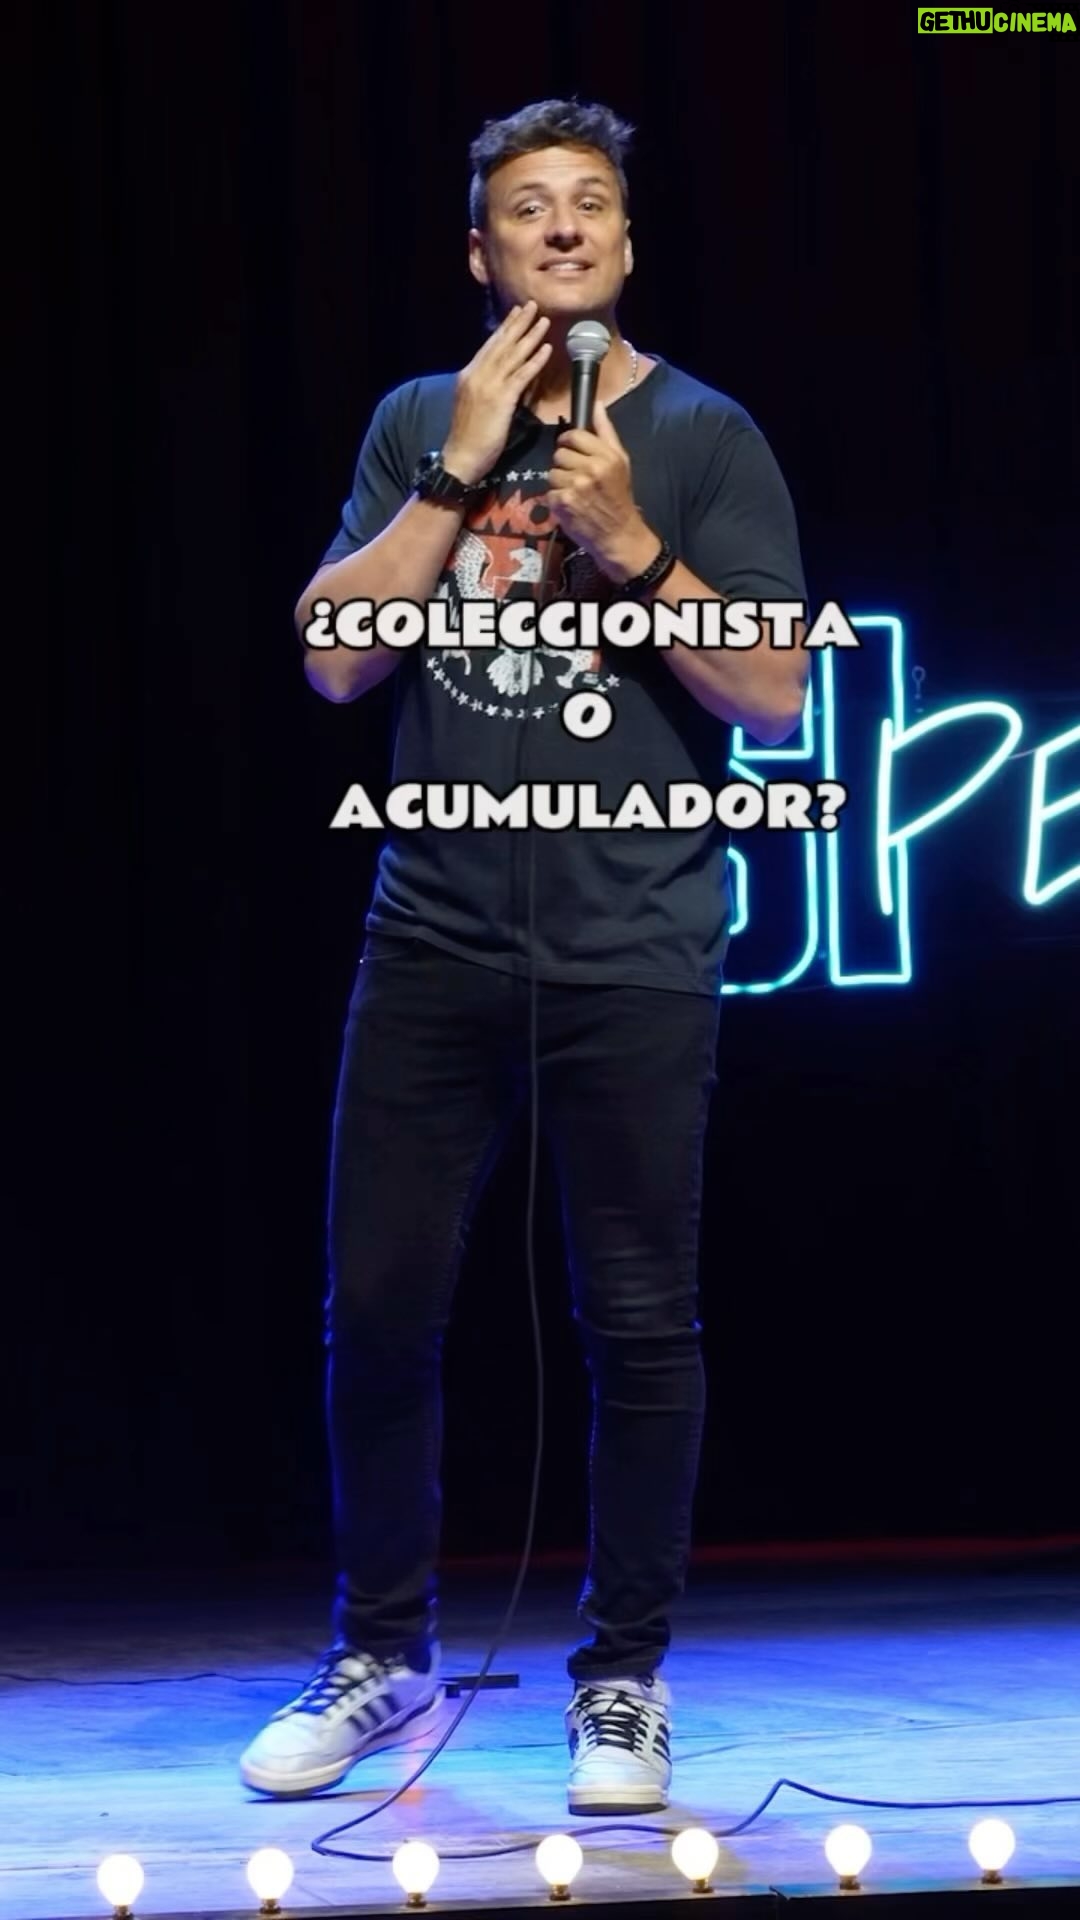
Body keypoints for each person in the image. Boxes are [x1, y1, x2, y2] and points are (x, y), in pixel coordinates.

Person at [240, 98, 808, 1815]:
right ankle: (384, 1654)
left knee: (638, 1323)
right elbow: (337, 659)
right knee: (378, 1308)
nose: (563, 228)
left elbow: (776, 695)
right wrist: (457, 468)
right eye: (528, 208)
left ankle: (622, 1680)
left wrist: (633, 544)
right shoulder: (418, 417)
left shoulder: (706, 432)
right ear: (479, 252)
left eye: (593, 204)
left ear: (626, 243)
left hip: (637, 943)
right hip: (433, 936)